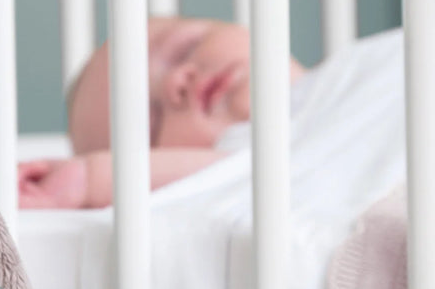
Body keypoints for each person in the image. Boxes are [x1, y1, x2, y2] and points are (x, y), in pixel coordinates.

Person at [18, 17, 306, 208]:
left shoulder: (347, 69)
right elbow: (231, 172)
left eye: (185, 49)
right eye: (152, 123)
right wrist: (86, 179)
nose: (176, 81)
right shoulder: (262, 164)